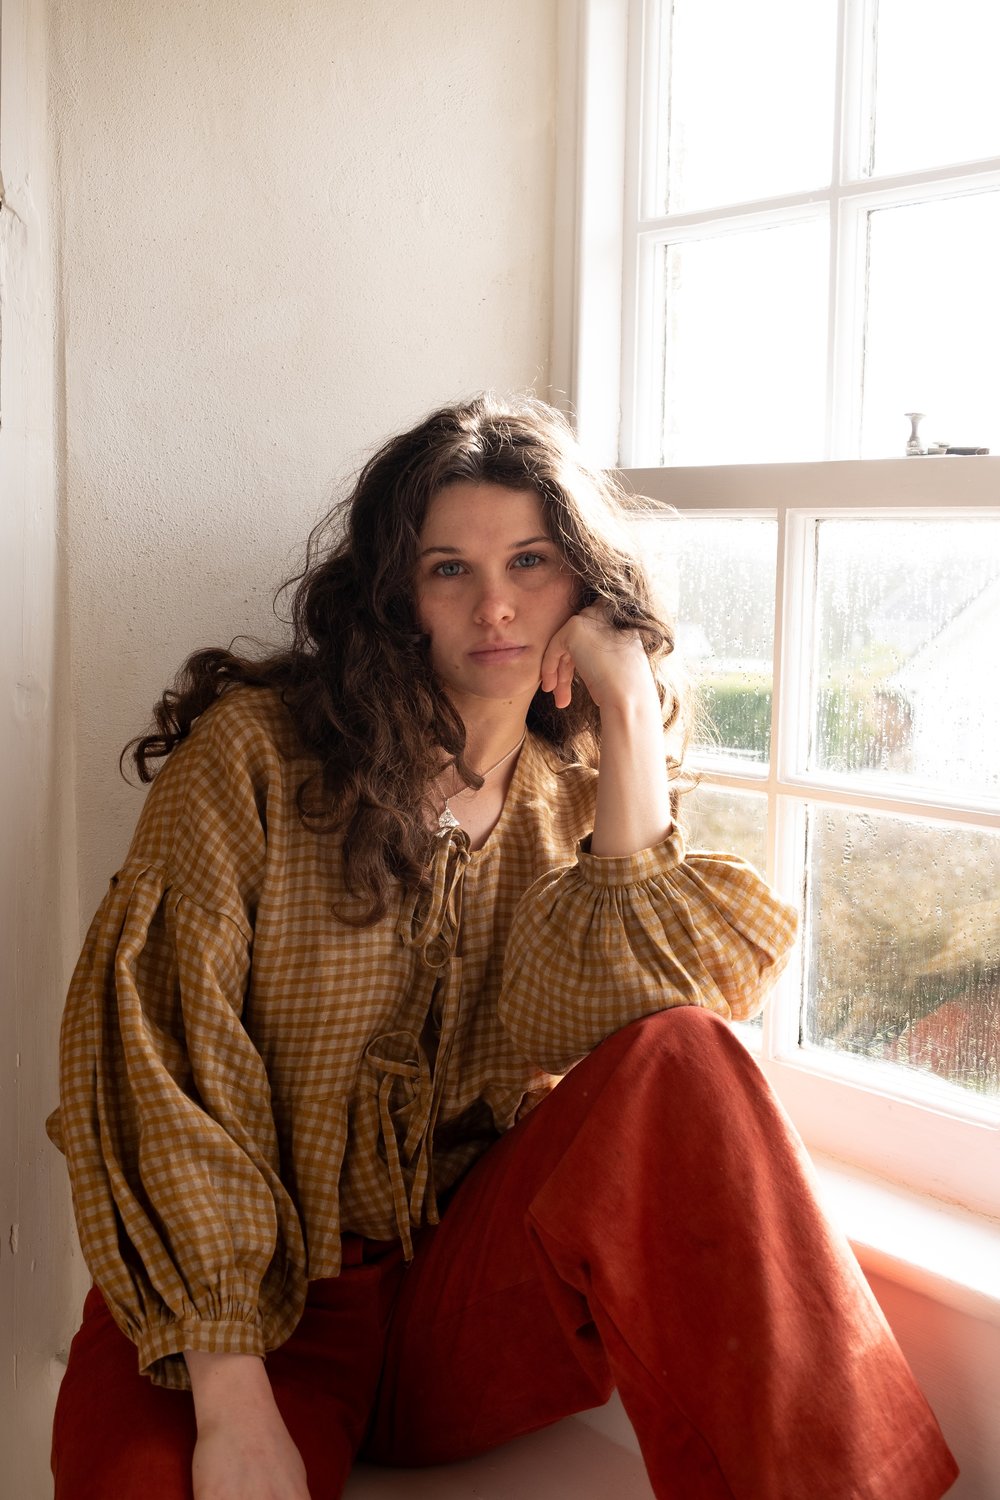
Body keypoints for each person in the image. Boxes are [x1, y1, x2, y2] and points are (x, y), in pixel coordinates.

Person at [48, 394, 958, 1500]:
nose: (494, 605)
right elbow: (159, 1065)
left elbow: (663, 1013)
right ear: (396, 595)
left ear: (584, 584)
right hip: (241, 1309)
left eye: (531, 562)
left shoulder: (570, 800)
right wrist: (235, 1404)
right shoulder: (255, 764)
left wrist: (625, 712)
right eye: (448, 570)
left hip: (459, 1304)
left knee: (684, 1052)